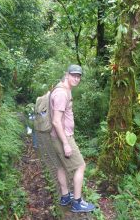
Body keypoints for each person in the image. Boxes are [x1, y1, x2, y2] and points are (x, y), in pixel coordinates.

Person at [50, 64, 95, 213]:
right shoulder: (62, 93)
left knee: (62, 166)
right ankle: (77, 202)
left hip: (59, 136)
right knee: (80, 166)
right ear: (67, 74)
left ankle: (65, 197)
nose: (76, 78)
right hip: (63, 137)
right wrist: (66, 144)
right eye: (74, 75)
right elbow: (56, 121)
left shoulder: (62, 89)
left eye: (79, 76)